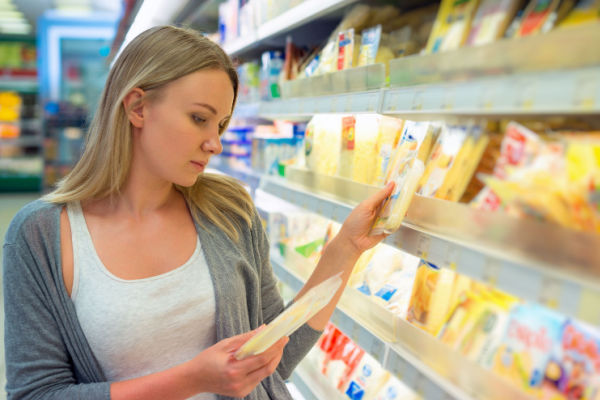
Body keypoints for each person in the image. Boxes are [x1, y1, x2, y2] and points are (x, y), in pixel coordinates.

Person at [2, 26, 394, 400]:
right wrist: (193, 379)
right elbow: (36, 393)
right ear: (137, 106)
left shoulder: (228, 211)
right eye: (199, 119)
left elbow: (277, 358)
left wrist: (345, 248)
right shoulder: (40, 235)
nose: (215, 144)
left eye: (221, 125)